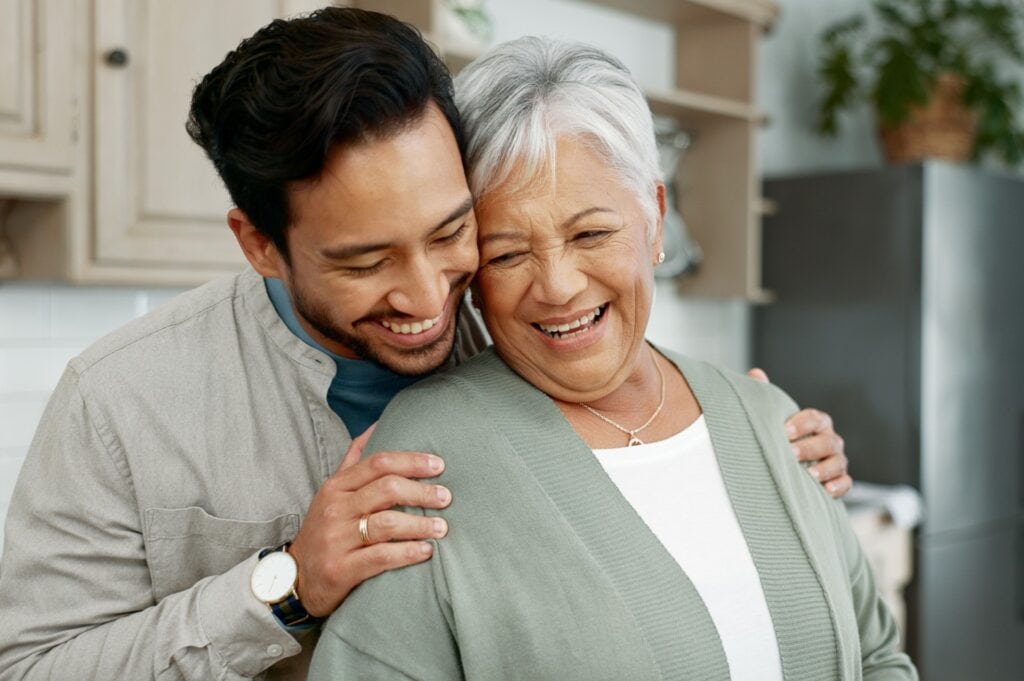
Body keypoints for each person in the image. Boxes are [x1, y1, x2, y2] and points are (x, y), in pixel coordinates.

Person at [0, 9, 850, 681]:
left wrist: (745, 448)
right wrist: (286, 585)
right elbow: (31, 666)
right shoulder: (123, 401)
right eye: (365, 260)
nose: (426, 294)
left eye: (453, 232)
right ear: (259, 244)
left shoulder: (518, 321)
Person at [308, 37, 917, 681]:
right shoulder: (426, 456)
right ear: (473, 276)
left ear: (654, 220)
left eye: (591, 233)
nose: (559, 285)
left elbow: (878, 656)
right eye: (508, 253)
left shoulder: (772, 417)